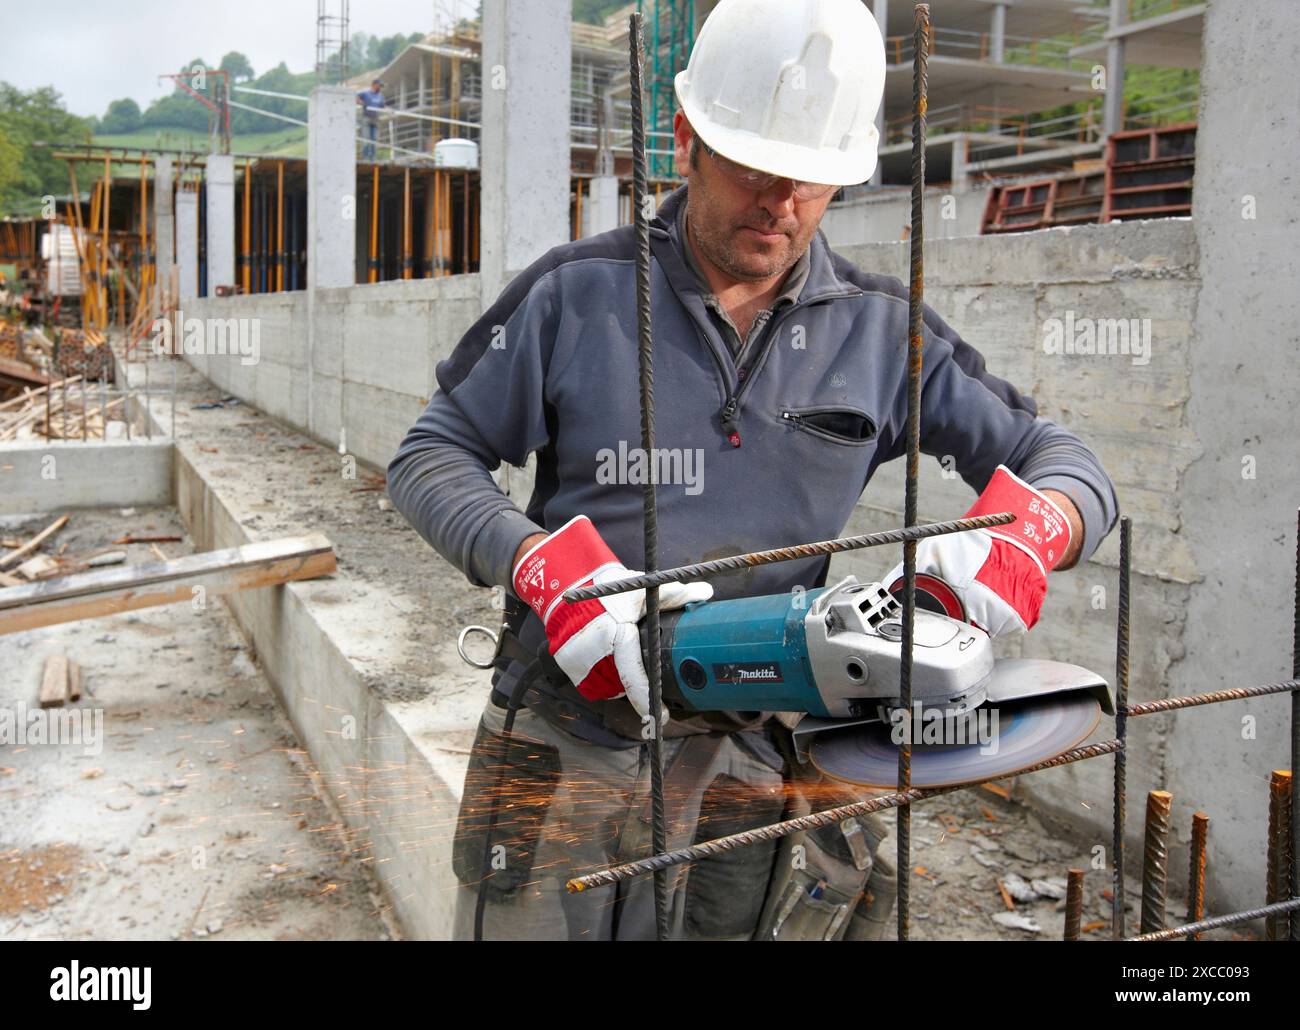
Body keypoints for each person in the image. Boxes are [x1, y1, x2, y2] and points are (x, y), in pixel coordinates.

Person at [387, 0, 1118, 941]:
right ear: (686, 141)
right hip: (572, 735)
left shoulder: (879, 330)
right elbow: (432, 453)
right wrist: (542, 568)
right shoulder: (577, 296)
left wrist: (1026, 541)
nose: (780, 204)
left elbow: (1063, 461)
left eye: (811, 182)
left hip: (760, 753)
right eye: (754, 170)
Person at [356, 79, 385, 160]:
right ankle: (365, 156)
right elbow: (355, 96)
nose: (380, 88)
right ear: (374, 85)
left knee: (374, 139)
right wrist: (360, 102)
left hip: (375, 119)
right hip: (366, 118)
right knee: (366, 138)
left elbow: (383, 106)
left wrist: (390, 110)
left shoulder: (380, 96)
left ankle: (373, 157)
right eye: (379, 86)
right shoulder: (366, 93)